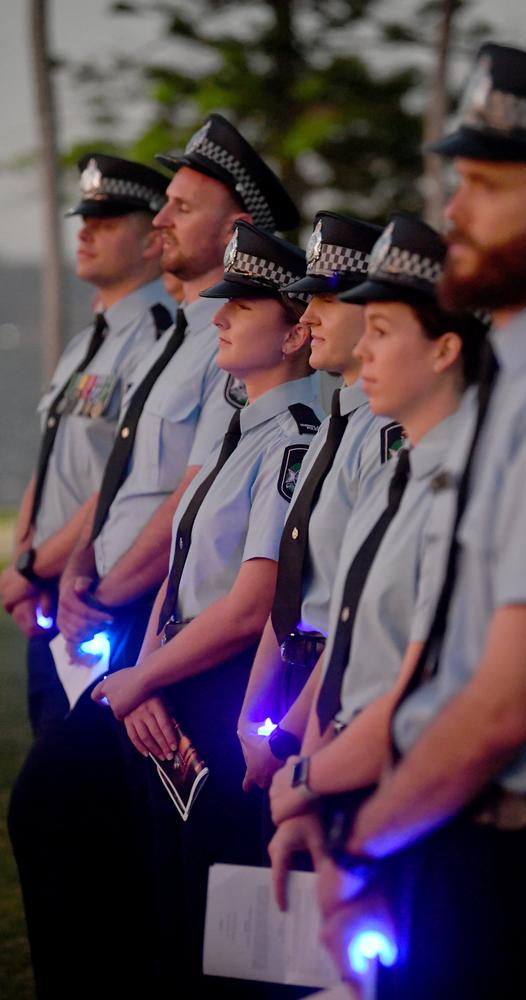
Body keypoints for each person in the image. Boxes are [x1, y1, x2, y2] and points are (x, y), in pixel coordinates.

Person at [318, 43, 526, 1000]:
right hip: (452, 830)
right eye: (458, 181)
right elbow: (444, 658)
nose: (453, 210)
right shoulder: (520, 385)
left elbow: (504, 705)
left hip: (516, 865)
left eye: (487, 186)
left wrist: (362, 846)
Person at [8, 115, 299, 1000]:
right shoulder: (186, 334)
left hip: (161, 631)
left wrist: (101, 592)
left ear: (238, 229)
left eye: (180, 205)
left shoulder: (240, 358)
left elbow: (190, 496)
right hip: (133, 622)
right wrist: (56, 566)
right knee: (117, 845)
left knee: (117, 841)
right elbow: (118, 472)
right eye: (164, 205)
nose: (162, 220)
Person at [92, 221, 322, 995]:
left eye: (243, 306)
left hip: (220, 695)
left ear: (296, 332)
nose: (218, 316)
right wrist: (145, 674)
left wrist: (143, 676)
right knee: (163, 915)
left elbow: (251, 603)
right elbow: (179, 573)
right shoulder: (239, 435)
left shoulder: (293, 441)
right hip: (171, 683)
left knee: (219, 944)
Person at [266, 214, 487, 907]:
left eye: (383, 333)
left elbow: (417, 686)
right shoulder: (402, 473)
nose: (368, 355)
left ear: (446, 350)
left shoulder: (472, 491)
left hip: (421, 808)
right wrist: (307, 773)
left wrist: (304, 778)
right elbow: (354, 647)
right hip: (348, 776)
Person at [0, 153, 172, 736]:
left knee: (71, 801)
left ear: (153, 241)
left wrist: (31, 566)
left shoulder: (158, 340)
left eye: (107, 222)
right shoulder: (84, 343)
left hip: (93, 595)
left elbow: (121, 479)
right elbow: (50, 460)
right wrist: (25, 559)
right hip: (47, 586)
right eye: (85, 221)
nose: (86, 233)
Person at [236, 211, 407, 796]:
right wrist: (251, 712)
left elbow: (356, 608)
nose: (306, 317)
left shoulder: (387, 436)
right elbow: (292, 588)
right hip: (292, 683)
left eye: (324, 303)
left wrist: (288, 735)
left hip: (336, 694)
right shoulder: (330, 432)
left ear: (375, 311)